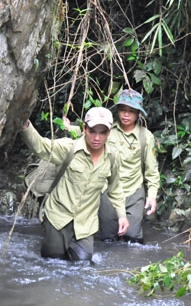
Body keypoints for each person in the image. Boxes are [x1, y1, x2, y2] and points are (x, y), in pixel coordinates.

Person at [20, 107, 129, 261]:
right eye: (92, 131)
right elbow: (41, 147)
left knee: (82, 266)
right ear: (84, 128)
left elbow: (115, 187)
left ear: (109, 133)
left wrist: (122, 216)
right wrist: (25, 125)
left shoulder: (112, 157)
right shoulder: (68, 148)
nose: (97, 137)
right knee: (52, 264)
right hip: (58, 217)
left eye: (102, 132)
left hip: (86, 224)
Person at [65, 89, 160, 244]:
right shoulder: (107, 131)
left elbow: (152, 171)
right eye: (123, 110)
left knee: (134, 239)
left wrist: (152, 196)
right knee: (108, 238)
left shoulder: (146, 137)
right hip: (108, 190)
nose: (126, 115)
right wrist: (69, 128)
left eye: (131, 111)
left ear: (138, 113)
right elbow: (89, 134)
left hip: (134, 192)